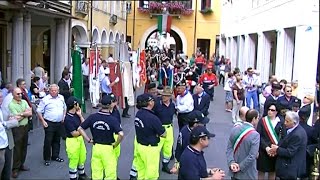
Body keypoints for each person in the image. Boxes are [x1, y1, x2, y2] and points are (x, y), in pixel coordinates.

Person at [78, 94, 124, 180]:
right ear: (110, 104)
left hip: (96, 147)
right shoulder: (112, 119)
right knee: (110, 174)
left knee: (96, 173)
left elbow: (80, 128)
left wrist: (88, 140)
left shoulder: (93, 117)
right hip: (108, 148)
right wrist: (116, 144)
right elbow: (121, 134)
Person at [134, 93, 166, 179]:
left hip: (140, 146)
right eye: (152, 100)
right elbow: (163, 134)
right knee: (152, 174)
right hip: (150, 149)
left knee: (141, 172)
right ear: (149, 103)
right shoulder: (153, 118)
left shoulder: (138, 114)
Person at [270, 111, 308, 179]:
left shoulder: (297, 135)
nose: (285, 123)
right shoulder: (291, 130)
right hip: (286, 168)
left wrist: (277, 149)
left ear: (294, 123)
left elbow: (290, 152)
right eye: (285, 120)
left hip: (290, 169)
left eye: (287, 121)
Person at [171, 110, 211, 174]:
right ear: (195, 124)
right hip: (187, 163)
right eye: (202, 123)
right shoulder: (190, 137)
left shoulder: (185, 129)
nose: (204, 125)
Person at [37, 84, 66, 166]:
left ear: (58, 91)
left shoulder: (61, 98)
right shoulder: (45, 99)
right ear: (49, 91)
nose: (54, 92)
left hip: (59, 122)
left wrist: (63, 116)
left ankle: (55, 156)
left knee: (57, 140)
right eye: (52, 90)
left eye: (55, 90)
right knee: (48, 141)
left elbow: (64, 107)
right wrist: (43, 121)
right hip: (49, 122)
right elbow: (39, 111)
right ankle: (47, 158)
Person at [226, 109, 260, 179]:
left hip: (234, 171)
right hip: (248, 173)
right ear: (254, 119)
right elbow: (252, 156)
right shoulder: (255, 135)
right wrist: (240, 167)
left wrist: (231, 162)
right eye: (258, 118)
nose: (258, 120)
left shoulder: (235, 129)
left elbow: (229, 149)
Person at [256, 103, 284, 180]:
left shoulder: (281, 122)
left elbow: (283, 137)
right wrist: (267, 148)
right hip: (263, 150)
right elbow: (259, 136)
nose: (270, 111)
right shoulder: (262, 121)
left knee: (272, 172)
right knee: (261, 172)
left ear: (276, 112)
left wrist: (276, 149)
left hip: (275, 151)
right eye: (269, 109)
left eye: (272, 110)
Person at [9, 87, 32, 178]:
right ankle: (15, 169)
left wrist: (21, 114)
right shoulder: (11, 104)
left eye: (21, 93)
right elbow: (16, 119)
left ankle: (21, 164)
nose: (20, 95)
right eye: (17, 94)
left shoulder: (24, 102)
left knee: (24, 147)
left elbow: (30, 113)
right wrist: (24, 114)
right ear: (13, 95)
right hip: (17, 129)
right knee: (17, 149)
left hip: (25, 127)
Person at [64, 96, 89, 180]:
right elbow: (74, 133)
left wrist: (80, 115)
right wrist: (81, 130)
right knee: (74, 160)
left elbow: (84, 124)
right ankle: (73, 177)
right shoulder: (68, 118)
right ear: (74, 105)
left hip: (80, 140)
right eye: (77, 103)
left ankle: (82, 175)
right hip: (72, 141)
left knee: (82, 157)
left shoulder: (76, 115)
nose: (79, 104)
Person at [154, 87, 176, 174]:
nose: (164, 97)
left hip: (169, 128)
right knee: (156, 149)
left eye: (166, 96)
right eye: (163, 95)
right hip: (160, 129)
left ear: (170, 96)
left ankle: (165, 165)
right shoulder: (157, 104)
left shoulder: (172, 105)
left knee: (168, 148)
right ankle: (154, 166)